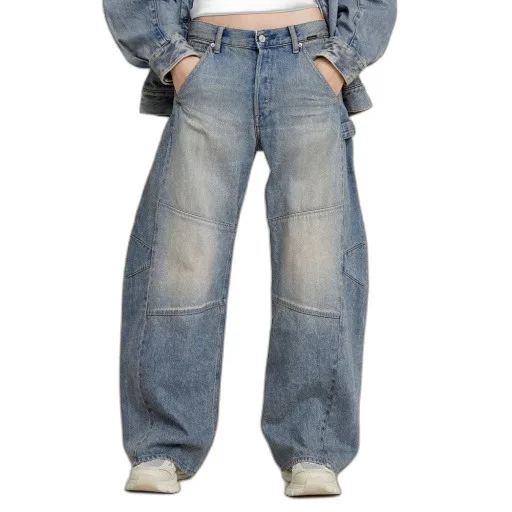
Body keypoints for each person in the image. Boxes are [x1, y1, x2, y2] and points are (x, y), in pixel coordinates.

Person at [103, 0, 397, 498]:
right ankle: (162, 445)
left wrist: (337, 62)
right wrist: (175, 58)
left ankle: (313, 447)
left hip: (309, 57)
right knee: (182, 258)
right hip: (206, 58)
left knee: (316, 263)